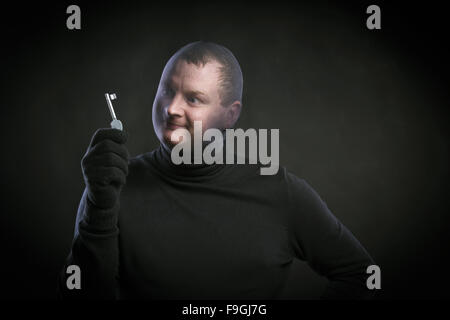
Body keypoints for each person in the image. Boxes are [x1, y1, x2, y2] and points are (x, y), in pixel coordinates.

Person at [57, 41, 376, 299]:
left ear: (229, 115)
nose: (172, 108)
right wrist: (100, 204)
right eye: (167, 89)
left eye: (193, 98)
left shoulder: (280, 192)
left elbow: (360, 274)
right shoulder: (112, 185)